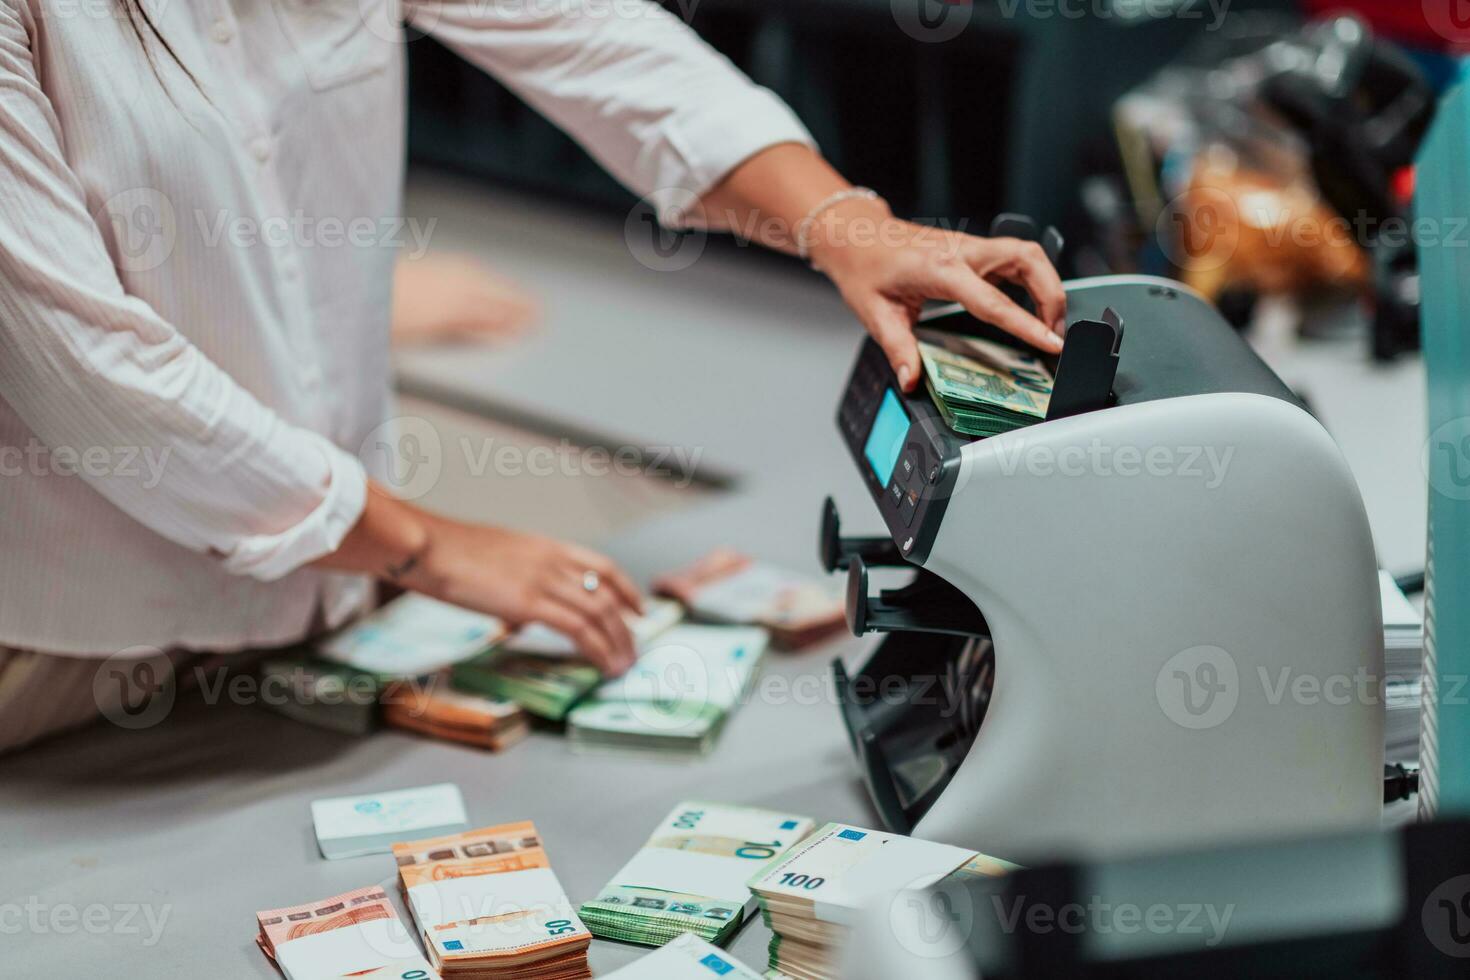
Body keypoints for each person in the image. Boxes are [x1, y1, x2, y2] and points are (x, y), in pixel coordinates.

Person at [0, 0, 1066, 754]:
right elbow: (94, 371)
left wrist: (843, 224)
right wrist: (433, 544)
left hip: (328, 592)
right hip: (69, 644)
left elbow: (599, 42)